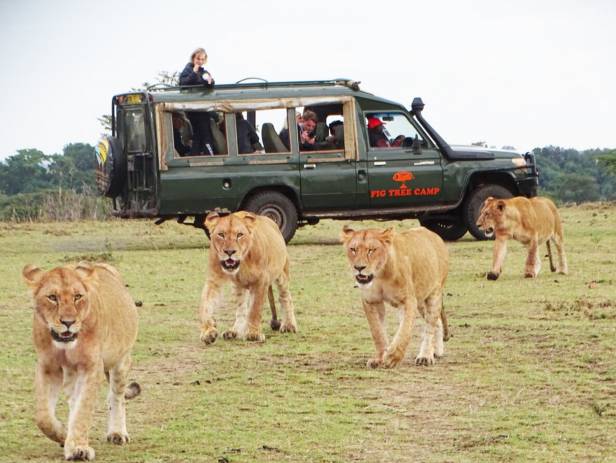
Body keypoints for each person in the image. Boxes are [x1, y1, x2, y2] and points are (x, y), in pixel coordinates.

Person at [179, 48, 216, 155]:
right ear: (193, 58)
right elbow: (183, 83)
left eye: (202, 59)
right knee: (204, 133)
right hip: (193, 107)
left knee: (200, 133)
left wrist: (210, 81)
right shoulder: (187, 70)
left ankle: (195, 153)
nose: (199, 61)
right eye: (198, 58)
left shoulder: (204, 72)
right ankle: (210, 154)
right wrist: (194, 72)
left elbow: (211, 85)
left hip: (203, 107)